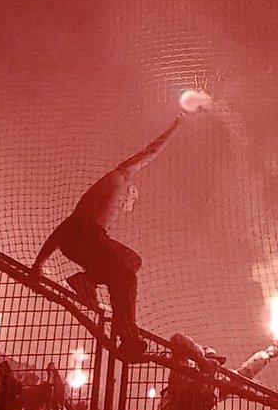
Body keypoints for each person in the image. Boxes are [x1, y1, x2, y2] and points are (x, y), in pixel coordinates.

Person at [30, 116, 185, 362]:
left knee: (132, 260)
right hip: (83, 236)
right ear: (128, 193)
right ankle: (129, 337)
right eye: (131, 199)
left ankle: (87, 280)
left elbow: (67, 229)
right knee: (125, 277)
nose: (130, 204)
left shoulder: (102, 210)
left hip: (86, 238)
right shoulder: (120, 176)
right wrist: (175, 127)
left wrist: (40, 262)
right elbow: (150, 151)